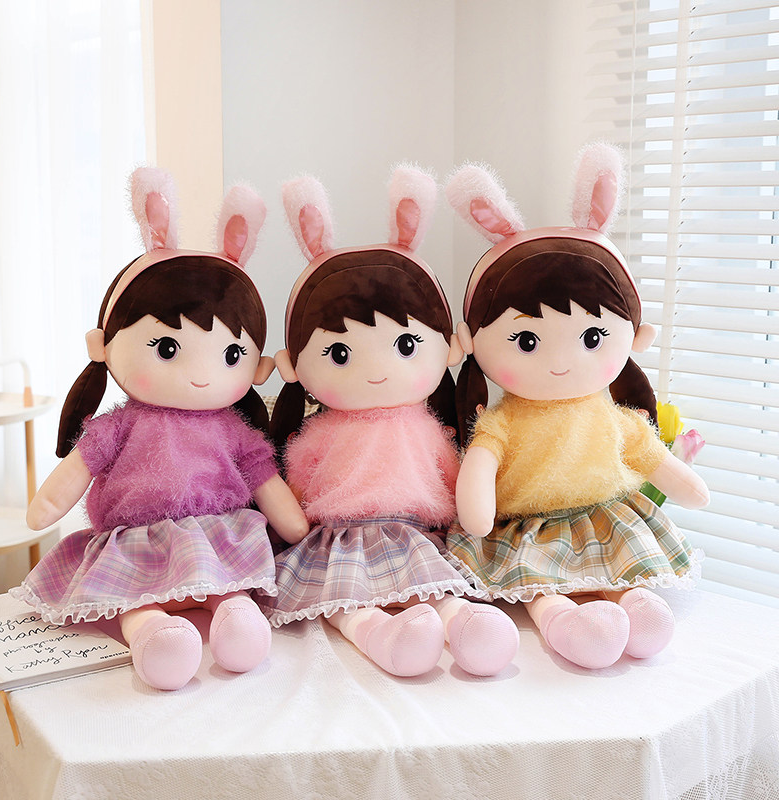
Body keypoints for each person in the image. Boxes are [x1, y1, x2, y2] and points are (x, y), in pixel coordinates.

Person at [11, 168, 307, 690]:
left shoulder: (235, 431)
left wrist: (293, 526)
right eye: (168, 348)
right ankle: (153, 635)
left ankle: (235, 617)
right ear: (105, 346)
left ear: (255, 364)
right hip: (136, 543)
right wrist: (47, 507)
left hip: (217, 536)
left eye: (230, 355)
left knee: (230, 594)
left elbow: (265, 481)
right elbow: (75, 473)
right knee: (136, 602)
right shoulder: (119, 426)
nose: (200, 374)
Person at [446, 144, 709, 670]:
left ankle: (636, 607)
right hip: (530, 525)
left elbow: (651, 457)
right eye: (527, 341)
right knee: (542, 586)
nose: (562, 361)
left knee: (623, 580)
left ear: (633, 336)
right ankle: (561, 621)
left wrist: (686, 484)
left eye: (592, 337)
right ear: (475, 342)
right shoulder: (503, 421)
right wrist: (476, 513)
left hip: (606, 518)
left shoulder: (613, 418)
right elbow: (481, 466)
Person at [262, 166, 519, 677]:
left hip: (412, 536)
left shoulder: (426, 425)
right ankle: (377, 635)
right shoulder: (320, 432)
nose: (377, 370)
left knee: (435, 588)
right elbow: (299, 486)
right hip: (339, 539)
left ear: (448, 348)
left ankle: (466, 625)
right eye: (339, 353)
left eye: (405, 345)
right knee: (344, 601)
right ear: (294, 364)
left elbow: (449, 476)